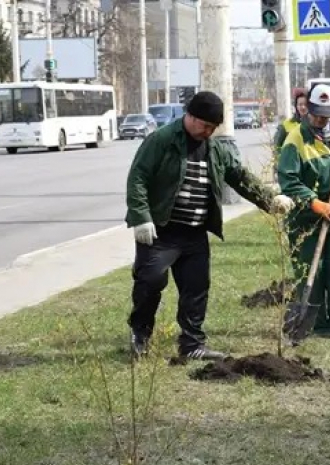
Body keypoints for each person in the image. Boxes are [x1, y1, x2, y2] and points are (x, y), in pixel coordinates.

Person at [125, 90, 295, 362]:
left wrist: (270, 199)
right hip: (161, 231)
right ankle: (140, 335)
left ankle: (192, 344)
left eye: (213, 127)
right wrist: (141, 217)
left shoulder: (215, 148)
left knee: (196, 288)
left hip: (195, 233)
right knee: (150, 281)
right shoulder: (161, 140)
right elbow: (138, 178)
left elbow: (239, 177)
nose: (208, 131)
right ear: (190, 117)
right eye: (205, 125)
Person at [277, 84, 330, 338]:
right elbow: (289, 181)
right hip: (306, 220)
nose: (320, 120)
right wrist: (313, 202)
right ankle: (317, 322)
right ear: (308, 110)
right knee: (309, 269)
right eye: (316, 114)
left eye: (326, 115)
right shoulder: (295, 140)